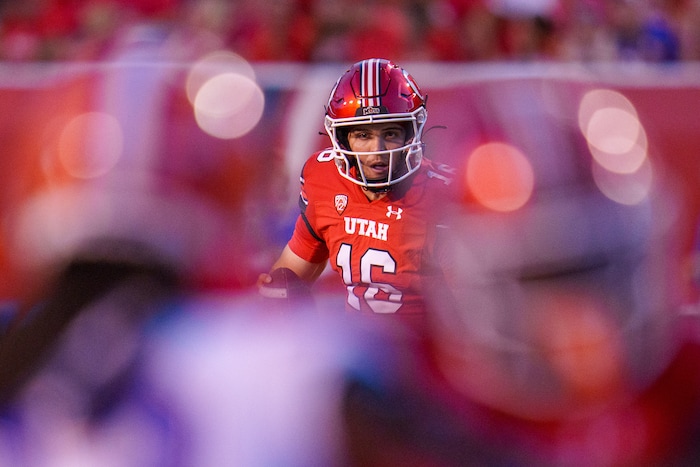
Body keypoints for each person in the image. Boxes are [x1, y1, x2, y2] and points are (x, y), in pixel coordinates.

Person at [258, 58, 454, 330]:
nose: (378, 149)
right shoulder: (323, 178)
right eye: (363, 134)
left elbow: (472, 314)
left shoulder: (440, 196)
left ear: (411, 134)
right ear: (341, 138)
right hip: (357, 349)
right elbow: (293, 269)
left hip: (421, 356)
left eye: (391, 133)